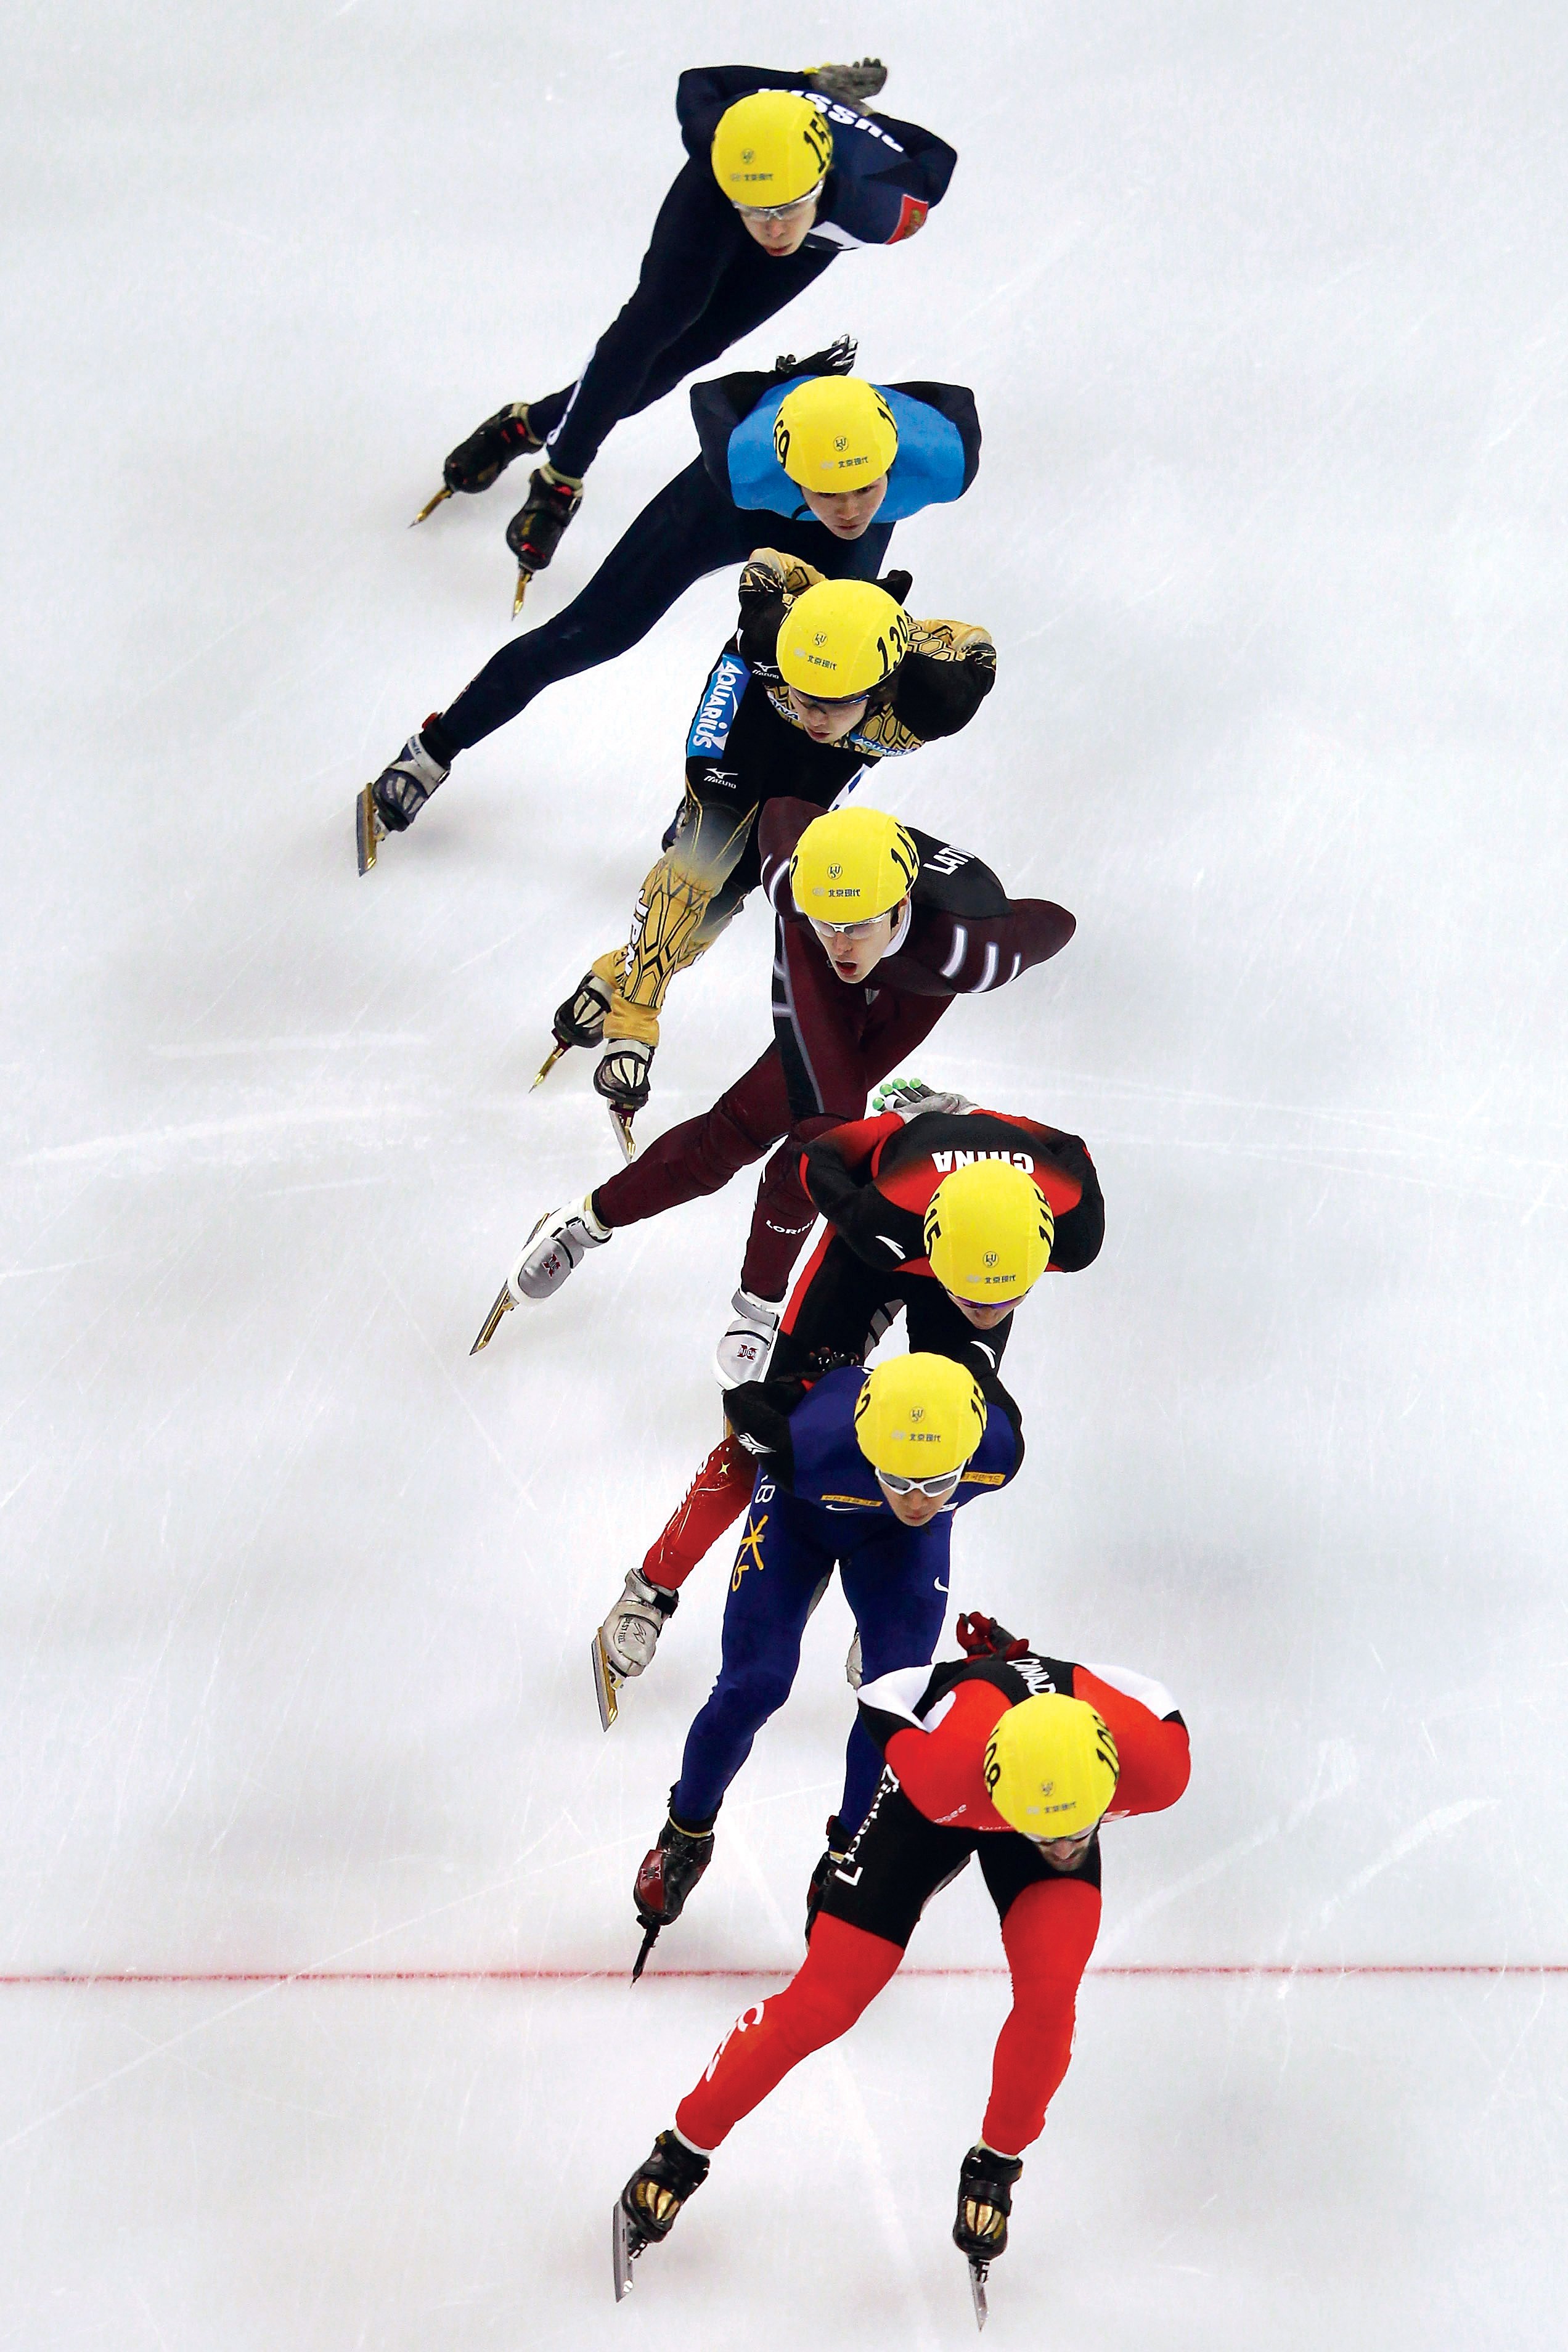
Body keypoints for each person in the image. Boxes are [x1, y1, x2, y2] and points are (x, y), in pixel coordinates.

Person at [611, 1612, 1191, 2311]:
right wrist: (962, 1680)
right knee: (824, 2002)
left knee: (1050, 1997)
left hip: (1044, 1759)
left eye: (1079, 1833)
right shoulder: (939, 1774)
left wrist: (1026, 1667)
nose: (1065, 1849)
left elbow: (1151, 1696)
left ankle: (996, 2166)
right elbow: (886, 1697)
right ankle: (681, 2149)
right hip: (946, 1797)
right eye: (1049, 1835)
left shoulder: (1155, 1768)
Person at [468, 804, 1074, 1354]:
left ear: (900, 909)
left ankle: (757, 1305)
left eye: (859, 924)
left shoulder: (975, 949)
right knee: (772, 1134)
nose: (841, 941)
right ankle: (584, 1224)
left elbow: (1057, 921)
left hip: (921, 976)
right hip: (819, 961)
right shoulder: (795, 886)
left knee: (813, 1151)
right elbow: (783, 810)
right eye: (828, 920)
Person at [356, 353, 981, 873]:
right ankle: (433, 748)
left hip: (829, 549)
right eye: (828, 492)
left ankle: (720, 793)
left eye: (866, 488)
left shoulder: (942, 460)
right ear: (793, 469)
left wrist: (866, 399)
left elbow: (952, 400)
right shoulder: (744, 459)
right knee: (589, 633)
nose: (849, 509)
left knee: (822, 672)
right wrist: (779, 386)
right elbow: (715, 393)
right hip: (724, 507)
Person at [594, 1149, 1103, 1725]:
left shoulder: (996, 1259)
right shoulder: (882, 1211)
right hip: (865, 1256)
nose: (991, 1310)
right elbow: (821, 1157)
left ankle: (890, 1584)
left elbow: (1070, 1156)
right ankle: (651, 1590)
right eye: (987, 1297)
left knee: (943, 1438)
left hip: (960, 1256)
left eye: (1009, 1296)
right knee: (758, 1443)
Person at [419, 65, 957, 585]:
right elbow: (700, 83)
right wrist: (804, 83)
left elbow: (938, 156)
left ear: (819, 184)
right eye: (758, 212)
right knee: (654, 323)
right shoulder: (715, 141)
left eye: (785, 209)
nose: (770, 228)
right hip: (713, 201)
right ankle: (560, 479)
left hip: (820, 224)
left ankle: (530, 423)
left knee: (694, 348)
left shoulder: (883, 206)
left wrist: (847, 115)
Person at [537, 565, 996, 1150]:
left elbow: (978, 650)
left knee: (748, 878)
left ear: (882, 687)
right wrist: (820, 600)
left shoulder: (934, 699)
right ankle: (636, 1018)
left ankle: (615, 972)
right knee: (702, 857)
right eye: (807, 699)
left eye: (835, 703)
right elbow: (768, 567)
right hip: (748, 715)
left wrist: (899, 628)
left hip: (832, 756)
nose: (815, 715)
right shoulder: (767, 639)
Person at [621, 1354, 1023, 1975]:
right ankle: (685, 1834)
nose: (917, 1499)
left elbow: (982, 1375)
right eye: (899, 1479)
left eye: (939, 1483)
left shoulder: (999, 1450)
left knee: (892, 1702)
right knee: (755, 1684)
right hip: (795, 1519)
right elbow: (743, 1408)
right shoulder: (806, 1445)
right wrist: (800, 1379)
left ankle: (847, 1857)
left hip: (899, 1552)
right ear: (869, 1451)